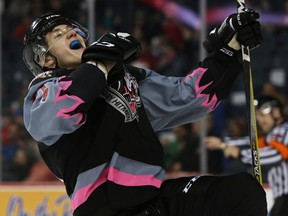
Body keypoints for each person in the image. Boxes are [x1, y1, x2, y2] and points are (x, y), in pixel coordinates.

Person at [22, 10, 266, 216]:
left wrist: (228, 50)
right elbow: (67, 106)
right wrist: (100, 63)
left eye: (72, 29)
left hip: (154, 199)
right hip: (104, 208)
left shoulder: (124, 79)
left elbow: (191, 97)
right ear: (46, 60)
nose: (71, 33)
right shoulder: (42, 94)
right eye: (59, 34)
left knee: (242, 192)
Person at [205, 95, 288, 216]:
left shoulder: (283, 131)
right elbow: (252, 142)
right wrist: (223, 143)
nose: (259, 120)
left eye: (262, 115)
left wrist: (237, 152)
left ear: (276, 112)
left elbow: (276, 155)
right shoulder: (273, 135)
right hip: (281, 199)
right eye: (258, 116)